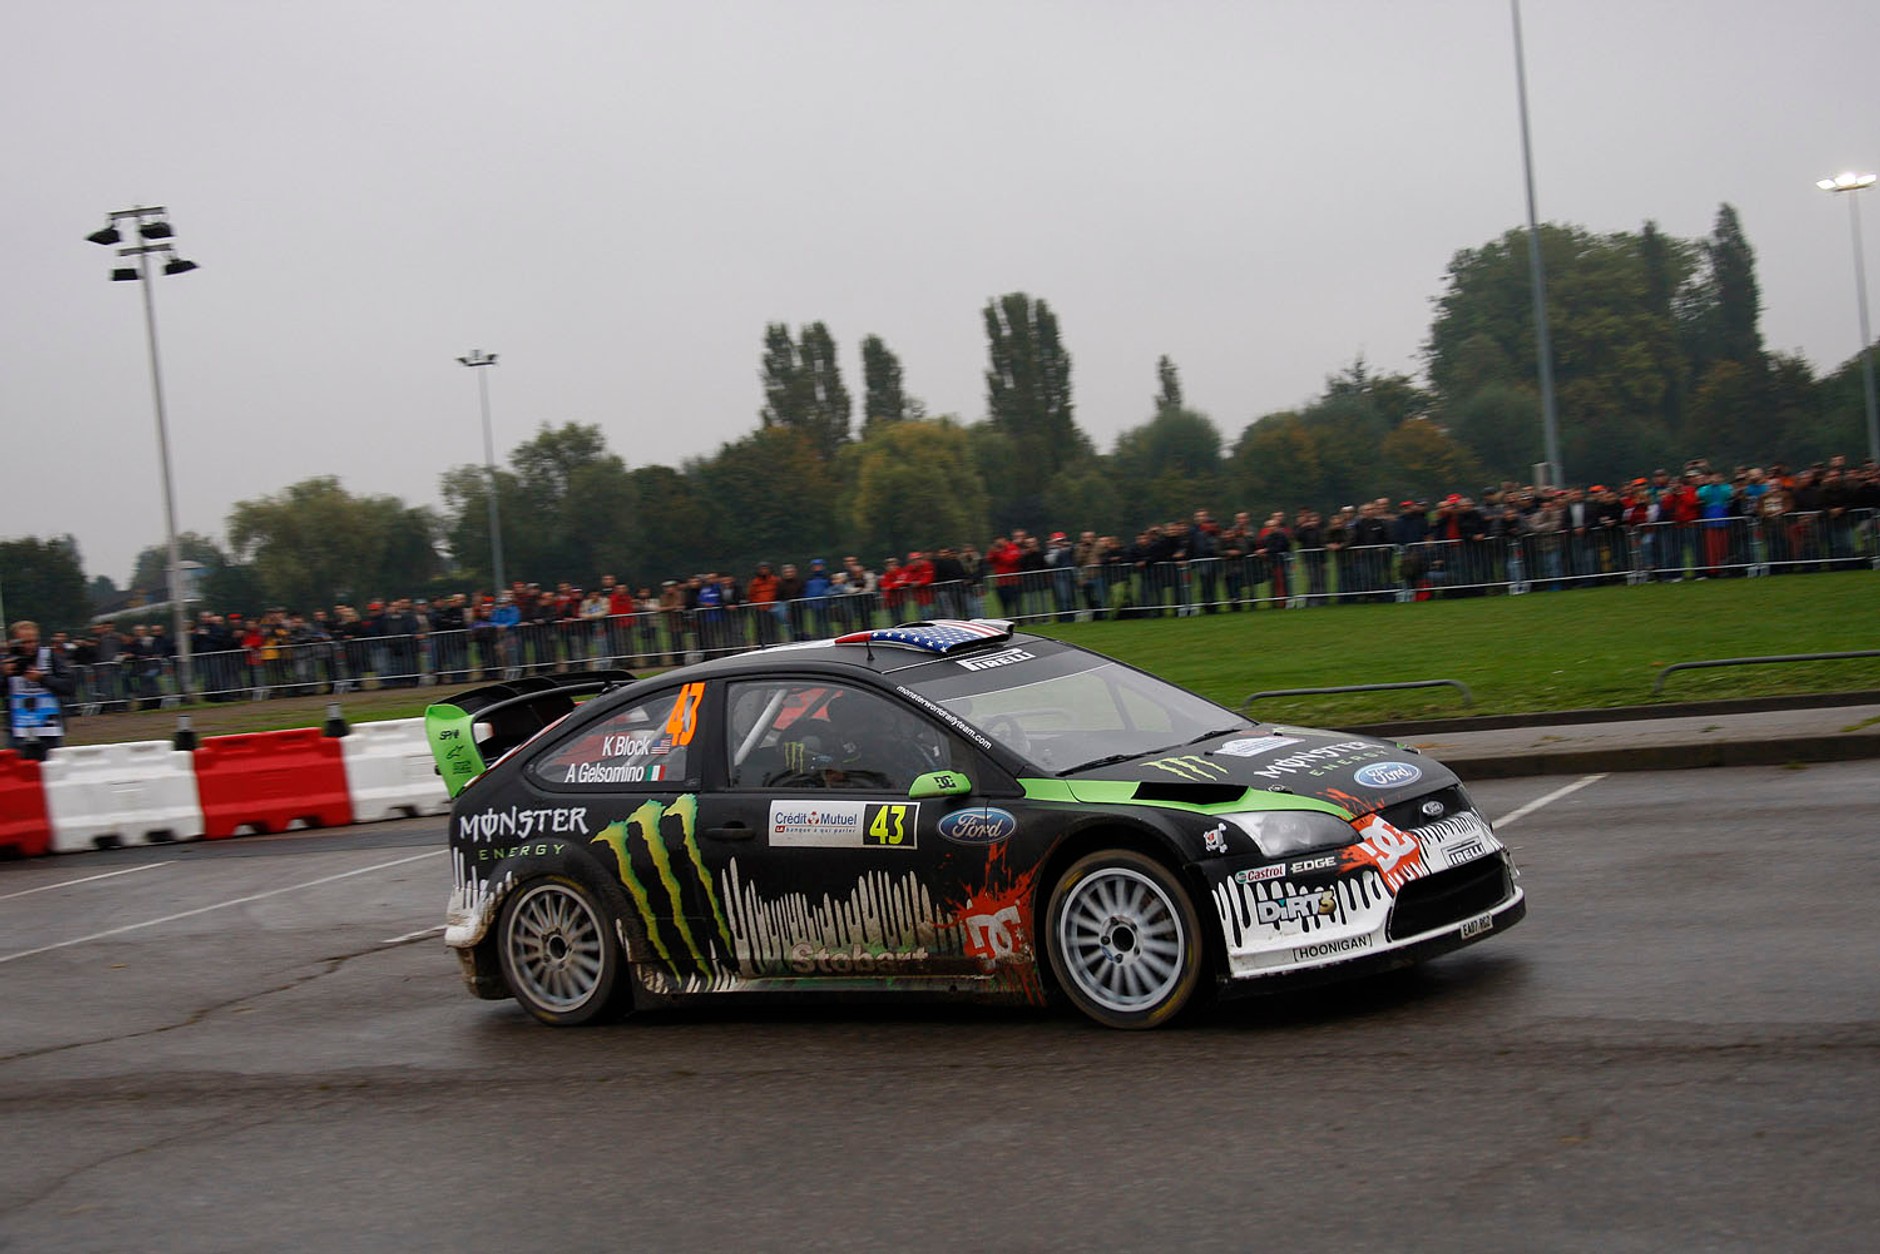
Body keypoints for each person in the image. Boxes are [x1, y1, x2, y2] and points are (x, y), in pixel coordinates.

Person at [5, 620, 76, 756]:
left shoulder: (50, 657)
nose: (30, 646)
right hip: (18, 728)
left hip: (49, 728)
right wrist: (4, 675)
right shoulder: (7, 660)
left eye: (34, 641)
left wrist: (42, 678)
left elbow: (69, 687)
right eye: (24, 642)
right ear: (13, 641)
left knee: (52, 765)